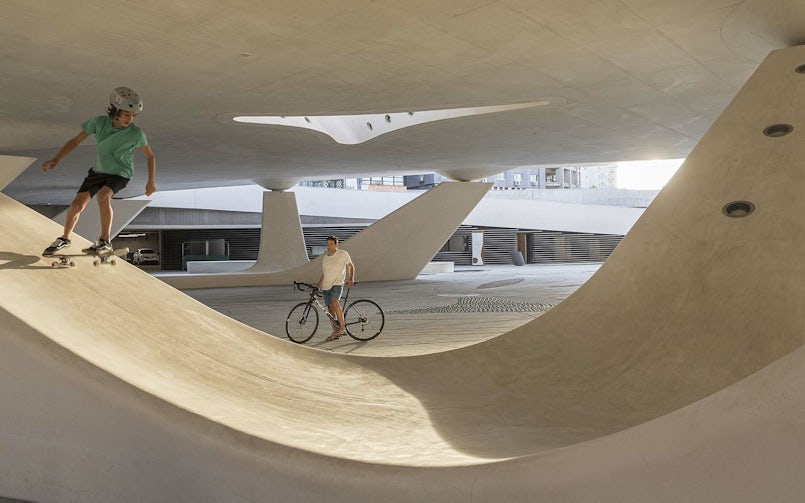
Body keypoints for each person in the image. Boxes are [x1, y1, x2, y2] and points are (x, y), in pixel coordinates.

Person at [42, 86, 156, 256]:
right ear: (115, 110)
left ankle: (105, 242)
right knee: (76, 205)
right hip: (98, 172)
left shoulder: (136, 134)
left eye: (133, 116)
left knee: (103, 196)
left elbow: (150, 157)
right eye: (127, 114)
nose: (130, 119)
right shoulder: (99, 123)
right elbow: (75, 140)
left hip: (121, 173)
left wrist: (150, 182)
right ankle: (65, 239)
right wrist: (56, 158)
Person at [316, 235, 355, 341]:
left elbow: (350, 266)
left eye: (331, 244)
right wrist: (318, 286)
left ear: (336, 244)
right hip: (326, 287)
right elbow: (324, 274)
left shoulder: (342, 254)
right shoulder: (325, 258)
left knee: (335, 302)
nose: (329, 246)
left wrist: (351, 278)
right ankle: (336, 331)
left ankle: (342, 328)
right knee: (330, 310)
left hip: (337, 284)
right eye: (327, 244)